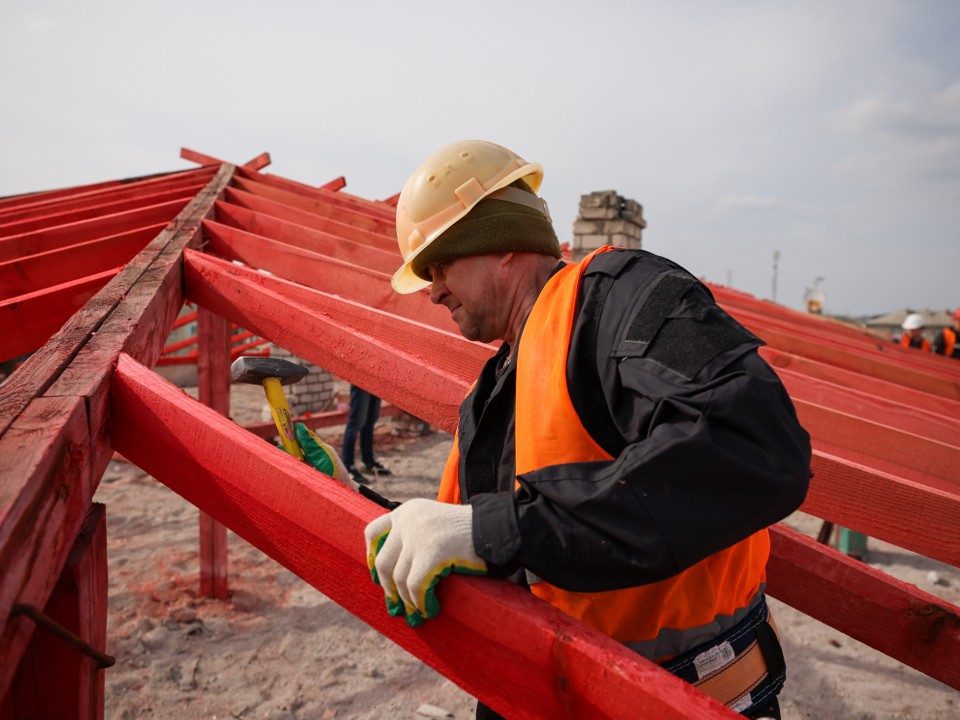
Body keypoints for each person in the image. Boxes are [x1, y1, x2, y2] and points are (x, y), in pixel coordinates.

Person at [300, 140, 811, 719]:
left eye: (440, 262)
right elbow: (474, 540)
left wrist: (490, 531)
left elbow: (754, 448)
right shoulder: (493, 388)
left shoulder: (620, 299)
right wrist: (354, 500)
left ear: (502, 244)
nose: (433, 288)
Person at [340, 384, 392, 485]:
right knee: (356, 422)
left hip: (377, 378)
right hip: (361, 377)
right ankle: (347, 466)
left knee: (371, 419)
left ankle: (368, 462)